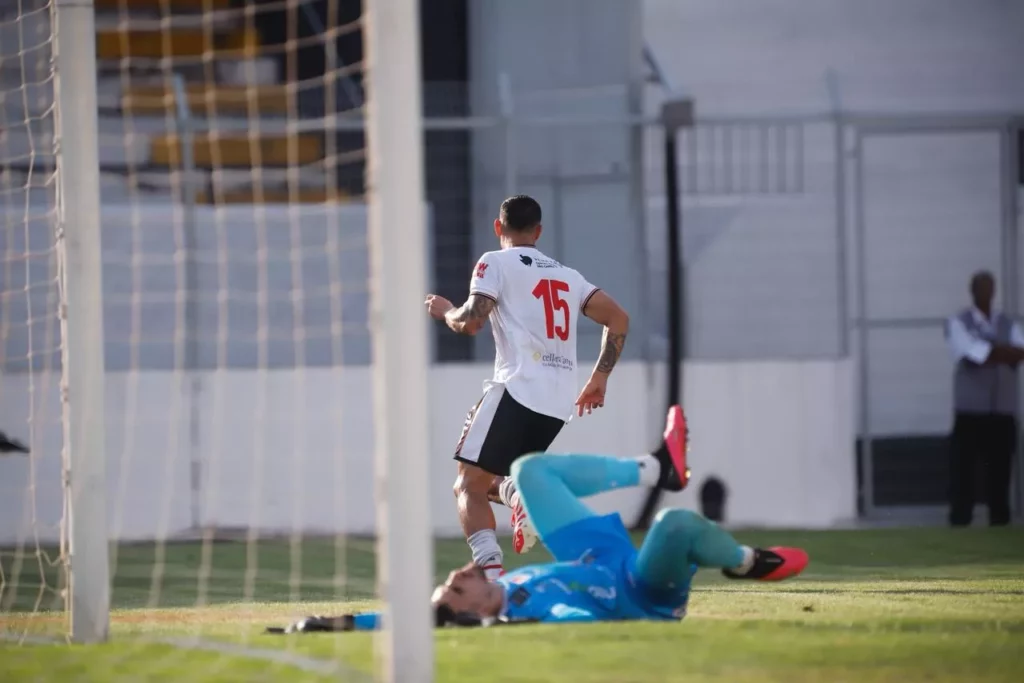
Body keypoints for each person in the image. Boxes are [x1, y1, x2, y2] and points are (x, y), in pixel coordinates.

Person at [273, 406, 809, 633]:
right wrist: (512, 627)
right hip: (640, 589)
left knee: (528, 470)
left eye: (449, 582)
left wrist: (331, 623)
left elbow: (411, 624)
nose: (456, 574)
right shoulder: (527, 609)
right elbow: (576, 623)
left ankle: (656, 467)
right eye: (456, 589)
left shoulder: (499, 595)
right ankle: (744, 561)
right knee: (673, 525)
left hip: (594, 557)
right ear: (473, 613)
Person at [424, 195, 630, 578]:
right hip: (556, 406)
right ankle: (517, 496)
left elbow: (472, 321)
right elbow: (618, 318)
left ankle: (490, 573)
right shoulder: (569, 276)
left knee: (466, 486)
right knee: (486, 480)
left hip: (517, 389)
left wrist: (445, 310)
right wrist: (599, 377)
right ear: (538, 231)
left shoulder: (494, 262)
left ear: (497, 227)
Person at [944, 270, 1023, 526]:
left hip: (1003, 409)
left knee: (1001, 469)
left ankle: (999, 520)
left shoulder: (1007, 322)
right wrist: (1002, 352)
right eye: (981, 287)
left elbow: (1019, 352)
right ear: (973, 291)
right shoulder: (958, 322)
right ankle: (960, 520)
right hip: (970, 411)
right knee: (964, 470)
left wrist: (993, 351)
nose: (986, 292)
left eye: (990, 287)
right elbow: (972, 355)